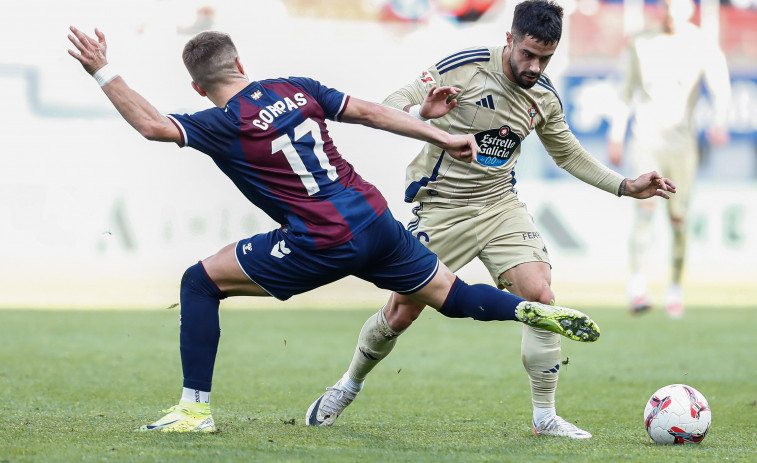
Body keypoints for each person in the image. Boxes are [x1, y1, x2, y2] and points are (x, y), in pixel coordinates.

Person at [67, 25, 605, 433]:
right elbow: (371, 113)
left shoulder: (222, 122)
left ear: (197, 84)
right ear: (240, 63)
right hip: (372, 216)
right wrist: (439, 136)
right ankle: (527, 309)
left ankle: (193, 410)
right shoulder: (295, 89)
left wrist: (102, 70)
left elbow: (152, 125)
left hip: (319, 237)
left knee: (197, 282)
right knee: (452, 293)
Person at [306, 0, 675, 439]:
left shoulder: (543, 98)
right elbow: (391, 105)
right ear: (509, 39)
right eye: (528, 54)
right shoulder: (463, 69)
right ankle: (348, 384)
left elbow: (569, 153)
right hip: (442, 207)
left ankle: (545, 416)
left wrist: (625, 186)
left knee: (540, 295)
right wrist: (425, 114)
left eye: (546, 58)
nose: (535, 66)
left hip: (499, 206)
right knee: (401, 313)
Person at [608, 0, 731, 317]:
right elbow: (625, 91)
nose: (668, 12)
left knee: (678, 220)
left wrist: (720, 120)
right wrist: (616, 135)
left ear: (689, 8)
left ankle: (675, 288)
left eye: (675, 6)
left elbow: (720, 85)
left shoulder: (701, 43)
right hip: (646, 140)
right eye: (664, 6)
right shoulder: (640, 42)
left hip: (682, 144)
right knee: (644, 210)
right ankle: (637, 286)